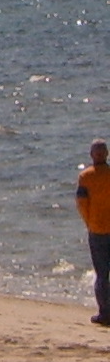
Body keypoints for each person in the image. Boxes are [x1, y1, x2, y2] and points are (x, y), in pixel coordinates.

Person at [77, 140, 110, 328]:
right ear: (106, 154)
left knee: (102, 274)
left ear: (92, 155)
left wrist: (89, 222)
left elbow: (82, 203)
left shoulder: (85, 177)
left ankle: (105, 313)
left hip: (97, 229)